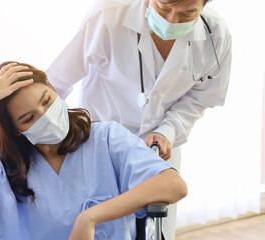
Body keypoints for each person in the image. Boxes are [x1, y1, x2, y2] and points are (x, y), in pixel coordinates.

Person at [0, 62, 187, 239]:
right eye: (29, 118)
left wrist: (90, 218)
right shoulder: (3, 167)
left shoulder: (107, 138)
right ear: (17, 130)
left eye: (47, 101)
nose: (46, 116)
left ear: (54, 90)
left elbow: (174, 184)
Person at [46, 0, 231, 239]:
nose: (171, 21)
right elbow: (56, 83)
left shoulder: (216, 34)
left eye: (187, 13)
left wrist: (168, 131)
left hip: (158, 150)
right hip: (98, 149)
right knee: (99, 229)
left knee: (156, 230)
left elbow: (199, 98)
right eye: (163, 8)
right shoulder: (107, 15)